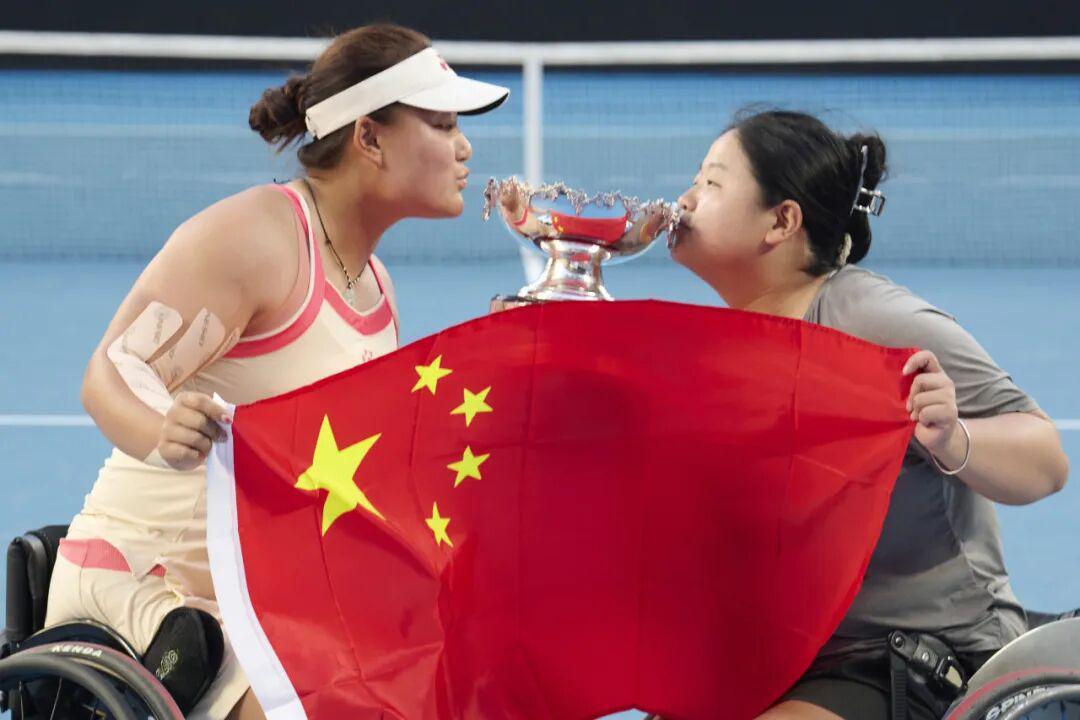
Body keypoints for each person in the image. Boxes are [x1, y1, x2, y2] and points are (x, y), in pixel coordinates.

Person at [44, 22, 507, 719]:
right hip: (148, 599)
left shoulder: (376, 293)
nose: (464, 147)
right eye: (442, 125)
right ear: (370, 138)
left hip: (259, 605)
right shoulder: (258, 236)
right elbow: (110, 371)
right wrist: (161, 426)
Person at [671, 109, 1069, 720]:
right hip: (788, 651)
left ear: (781, 221)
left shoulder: (869, 321)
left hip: (917, 654)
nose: (685, 199)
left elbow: (1046, 459)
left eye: (712, 183)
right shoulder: (723, 348)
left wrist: (952, 438)